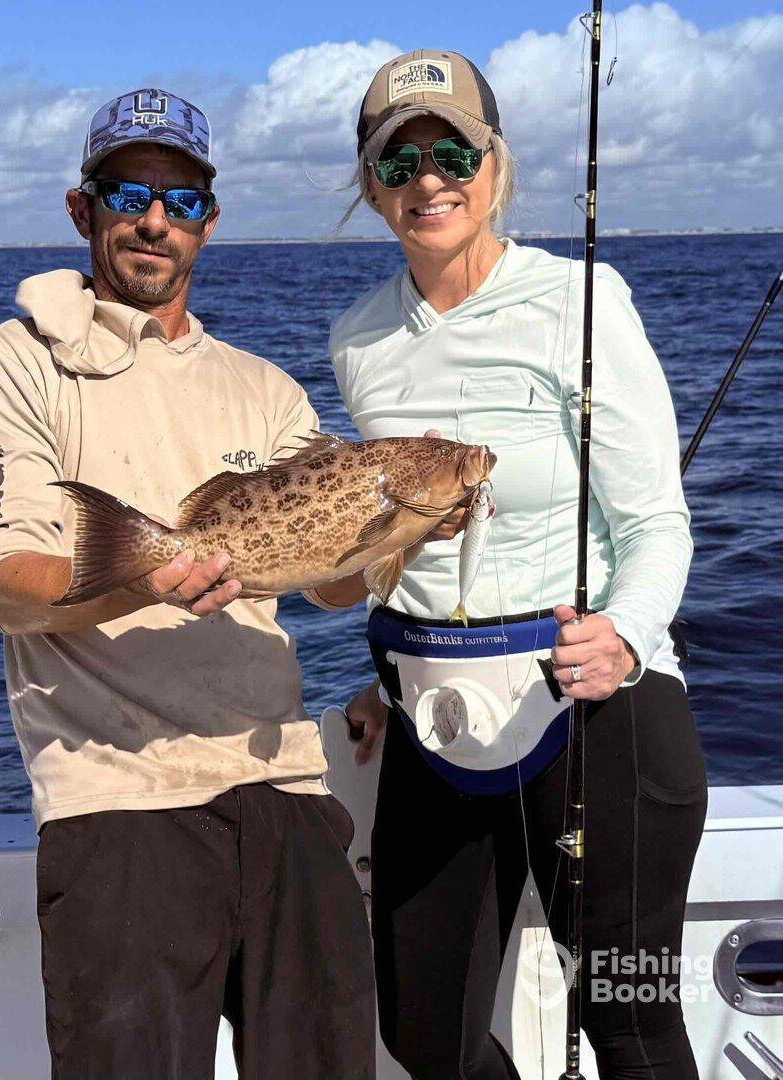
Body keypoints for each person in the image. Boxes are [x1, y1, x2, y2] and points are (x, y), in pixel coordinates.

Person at [0, 87, 374, 1079]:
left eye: (180, 201)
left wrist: (393, 527)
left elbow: (331, 590)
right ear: (81, 209)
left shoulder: (265, 387)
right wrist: (152, 577)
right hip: (117, 804)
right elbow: (11, 588)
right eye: (128, 194)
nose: (154, 220)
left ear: (207, 222)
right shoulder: (12, 364)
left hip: (284, 789)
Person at [307, 51, 707, 1079]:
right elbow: (390, 543)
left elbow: (656, 521)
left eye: (453, 154)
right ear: (369, 186)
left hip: (593, 709)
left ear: (494, 167)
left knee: (629, 1021)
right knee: (423, 1035)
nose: (427, 180)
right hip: (434, 718)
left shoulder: (581, 299)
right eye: (397, 162)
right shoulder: (356, 339)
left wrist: (623, 638)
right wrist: (381, 679)